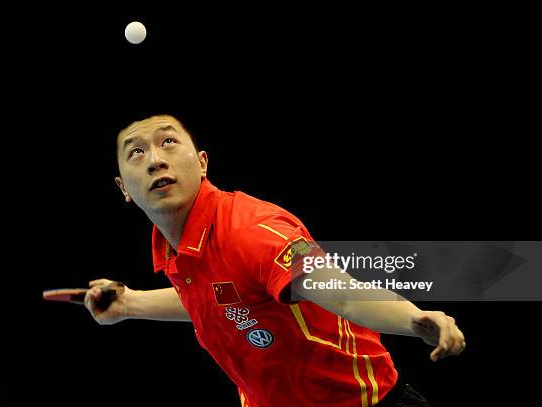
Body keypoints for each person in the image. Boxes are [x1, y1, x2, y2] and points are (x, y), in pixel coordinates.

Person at [84, 114, 465, 407]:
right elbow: (219, 297)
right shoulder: (173, 246)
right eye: (136, 151)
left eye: (168, 141)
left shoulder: (253, 230)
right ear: (123, 188)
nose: (154, 160)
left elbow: (342, 291)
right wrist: (131, 303)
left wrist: (413, 319)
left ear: (202, 163)